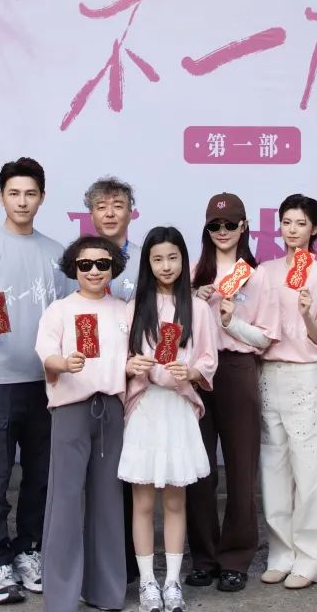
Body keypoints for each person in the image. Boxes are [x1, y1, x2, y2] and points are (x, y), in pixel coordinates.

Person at [0, 157, 70, 604]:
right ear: (1, 196)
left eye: (30, 194)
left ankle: (28, 551)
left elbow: (71, 309)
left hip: (47, 382)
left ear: (42, 198)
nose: (22, 201)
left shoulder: (57, 253)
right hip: (0, 382)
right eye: (14, 193)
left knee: (40, 476)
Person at [120, 226, 218, 612]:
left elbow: (208, 359)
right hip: (144, 408)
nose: (166, 266)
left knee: (176, 501)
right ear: (147, 263)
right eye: (158, 259)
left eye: (173, 258)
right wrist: (131, 365)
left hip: (178, 408)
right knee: (143, 502)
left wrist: (190, 372)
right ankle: (148, 583)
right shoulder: (133, 308)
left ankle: (172, 582)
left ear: (184, 260)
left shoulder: (198, 309)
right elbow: (119, 358)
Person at [186, 192, 279, 592]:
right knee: (198, 470)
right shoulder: (193, 272)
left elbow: (265, 338)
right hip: (196, 373)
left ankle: (236, 558)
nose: (222, 231)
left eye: (229, 224)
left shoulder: (258, 276)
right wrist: (194, 302)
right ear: (206, 229)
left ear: (244, 227)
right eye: (215, 225)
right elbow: (175, 328)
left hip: (238, 369)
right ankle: (203, 557)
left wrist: (230, 321)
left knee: (241, 469)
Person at [36, 236, 131, 612]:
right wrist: (62, 363)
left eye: (102, 264)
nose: (94, 271)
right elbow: (46, 352)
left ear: (114, 268)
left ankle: (105, 591)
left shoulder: (124, 310)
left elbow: (133, 355)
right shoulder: (59, 310)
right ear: (73, 268)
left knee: (109, 501)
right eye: (85, 264)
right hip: (71, 410)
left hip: (112, 410)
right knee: (65, 500)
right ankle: (60, 596)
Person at [256, 195, 317, 590]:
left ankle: (312, 557)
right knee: (273, 467)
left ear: (315, 228)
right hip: (267, 372)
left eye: (301, 223)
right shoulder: (264, 271)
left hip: (304, 373)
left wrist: (306, 311)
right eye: (287, 222)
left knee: (310, 469)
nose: (292, 230)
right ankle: (281, 553)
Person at [84, 176, 142, 584]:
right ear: (90, 213)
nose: (109, 213)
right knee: (94, 475)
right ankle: (95, 560)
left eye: (117, 205)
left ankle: (130, 562)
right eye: (101, 206)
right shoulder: (79, 259)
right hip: (92, 383)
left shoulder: (146, 258)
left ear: (130, 212)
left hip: (138, 381)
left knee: (129, 472)